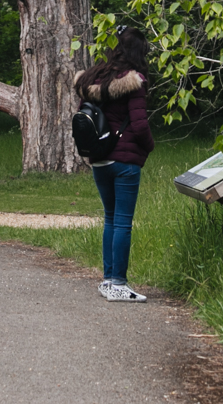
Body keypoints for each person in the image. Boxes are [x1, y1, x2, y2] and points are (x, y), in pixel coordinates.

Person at [75, 27, 155, 302]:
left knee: (110, 219)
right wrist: (149, 147)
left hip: (99, 159)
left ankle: (108, 281)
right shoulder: (134, 81)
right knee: (123, 222)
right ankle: (118, 283)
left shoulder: (92, 78)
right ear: (137, 52)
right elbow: (140, 124)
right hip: (125, 163)